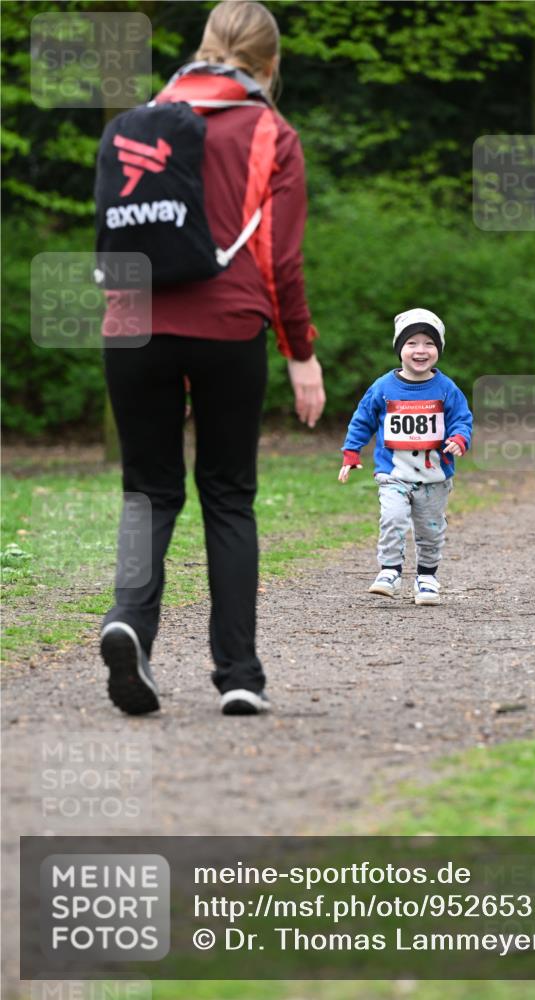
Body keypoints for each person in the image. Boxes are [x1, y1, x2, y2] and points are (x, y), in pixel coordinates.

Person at [100, 0, 325, 717]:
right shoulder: (270, 132)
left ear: (202, 47)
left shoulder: (136, 122)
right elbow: (279, 261)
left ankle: (129, 620)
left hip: (133, 323)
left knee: (149, 491)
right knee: (227, 497)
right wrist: (300, 353)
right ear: (270, 62)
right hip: (229, 326)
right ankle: (238, 675)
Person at [338, 308, 472, 606]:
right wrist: (351, 452)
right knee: (392, 518)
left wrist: (459, 439)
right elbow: (363, 419)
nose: (420, 350)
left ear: (438, 349)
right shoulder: (383, 387)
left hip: (434, 476)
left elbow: (462, 419)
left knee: (430, 529)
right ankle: (389, 571)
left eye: (429, 343)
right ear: (400, 348)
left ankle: (427, 577)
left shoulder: (446, 388)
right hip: (393, 472)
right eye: (412, 343)